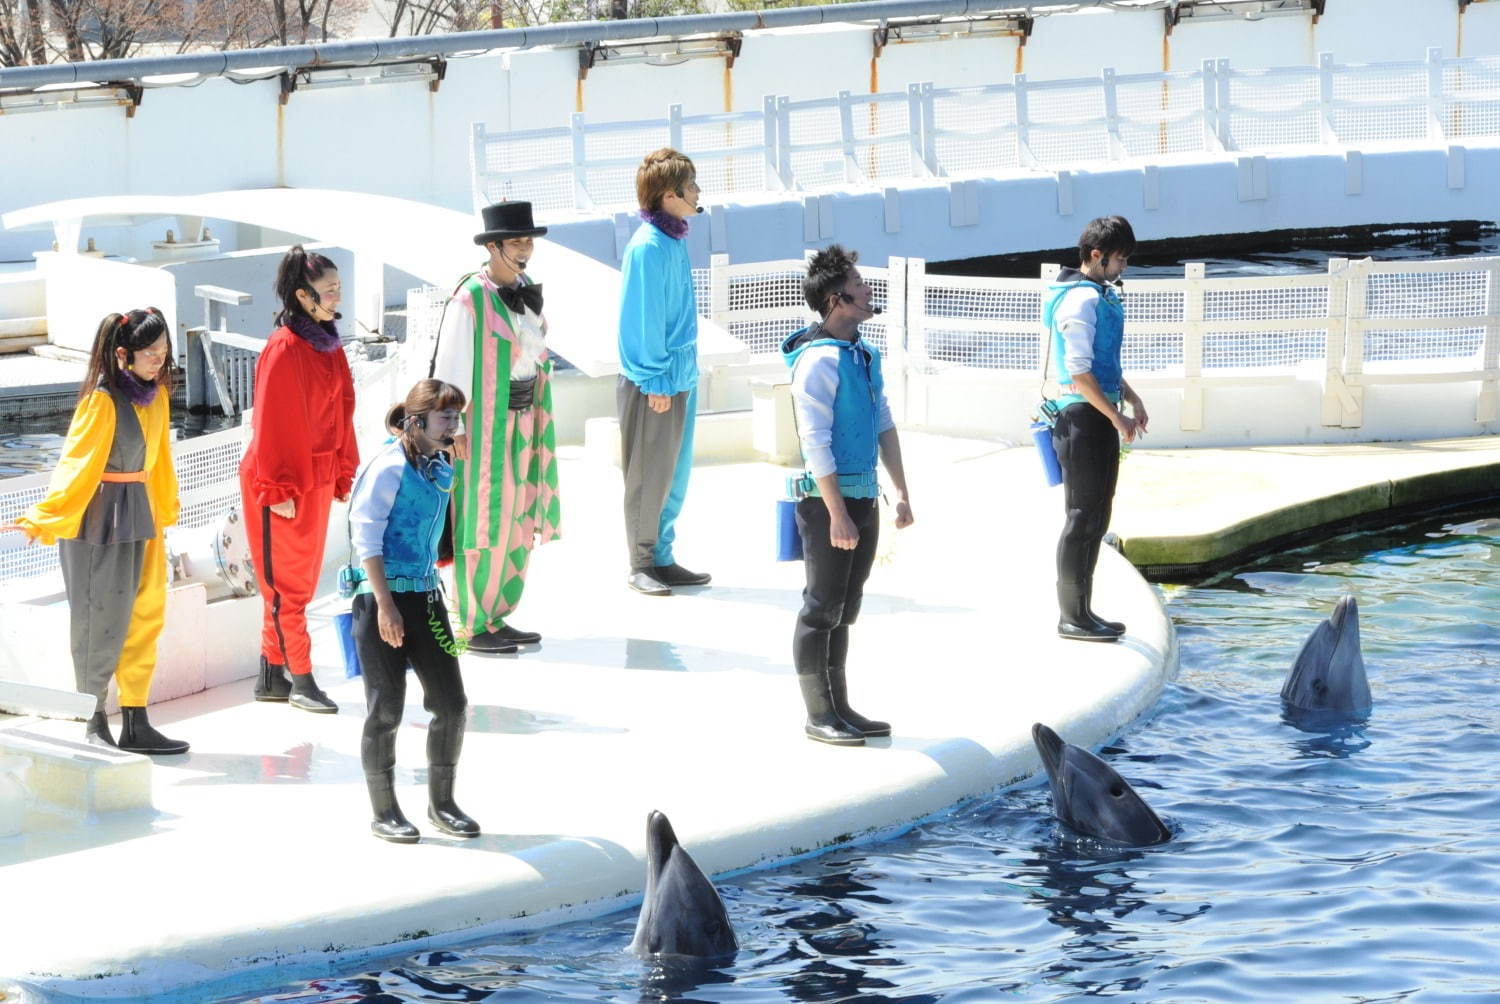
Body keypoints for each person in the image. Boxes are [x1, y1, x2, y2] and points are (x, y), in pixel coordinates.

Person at [1, 309, 187, 754]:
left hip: (141, 516)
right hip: (99, 519)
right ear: (123, 354)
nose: (159, 360)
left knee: (145, 616)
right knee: (98, 618)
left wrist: (165, 513)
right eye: (150, 352)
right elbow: (76, 466)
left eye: (163, 351)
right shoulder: (101, 401)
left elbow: (159, 461)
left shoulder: (156, 396)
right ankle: (93, 719)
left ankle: (137, 721)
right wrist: (42, 517)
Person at [780, 246, 913, 747]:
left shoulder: (863, 354)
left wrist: (901, 491)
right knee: (821, 606)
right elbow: (814, 442)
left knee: (846, 606)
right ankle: (819, 713)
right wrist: (836, 513)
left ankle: (841, 705)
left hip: (864, 498)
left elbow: (883, 423)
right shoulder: (817, 363)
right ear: (837, 299)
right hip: (825, 502)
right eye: (859, 282)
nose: (868, 287)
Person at [347, 379, 478, 843]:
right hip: (381, 599)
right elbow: (364, 538)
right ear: (418, 421)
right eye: (446, 419)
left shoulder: (436, 462)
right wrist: (384, 605)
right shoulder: (387, 466)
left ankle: (442, 805)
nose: (455, 427)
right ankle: (384, 811)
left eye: (457, 418)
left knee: (452, 705)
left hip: (425, 597)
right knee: (386, 710)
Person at [430, 201, 561, 656]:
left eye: (529, 240)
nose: (525, 248)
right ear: (493, 246)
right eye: (516, 241)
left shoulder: (524, 288)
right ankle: (470, 621)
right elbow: (449, 368)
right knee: (481, 518)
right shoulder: (470, 297)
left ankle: (497, 613)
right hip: (482, 425)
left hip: (525, 419)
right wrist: (453, 428)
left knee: (518, 515)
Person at [240, 246, 358, 710]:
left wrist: (343, 468)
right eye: (328, 292)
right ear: (302, 296)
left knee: (300, 581)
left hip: (315, 476)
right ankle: (301, 678)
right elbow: (270, 422)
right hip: (283, 478)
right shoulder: (284, 348)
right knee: (286, 585)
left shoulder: (326, 344)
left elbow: (344, 410)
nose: (335, 300)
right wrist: (277, 487)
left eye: (337, 291)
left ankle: (272, 675)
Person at [1043, 215, 1149, 642]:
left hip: (1097, 413)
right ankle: (1071, 615)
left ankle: (1085, 611)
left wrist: (1132, 397)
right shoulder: (1079, 301)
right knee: (1081, 515)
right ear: (1096, 256)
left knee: (1098, 515)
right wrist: (1115, 415)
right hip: (1080, 416)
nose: (1122, 267)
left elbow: (1103, 367)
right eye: (1119, 259)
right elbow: (1080, 372)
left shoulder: (1099, 295)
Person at [616, 147, 711, 596]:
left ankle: (663, 556)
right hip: (654, 381)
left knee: (675, 473)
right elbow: (642, 320)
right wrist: (654, 379)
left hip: (680, 377)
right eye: (690, 185)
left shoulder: (674, 240)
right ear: (669, 194)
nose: (696, 192)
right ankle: (640, 562)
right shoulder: (647, 247)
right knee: (648, 474)